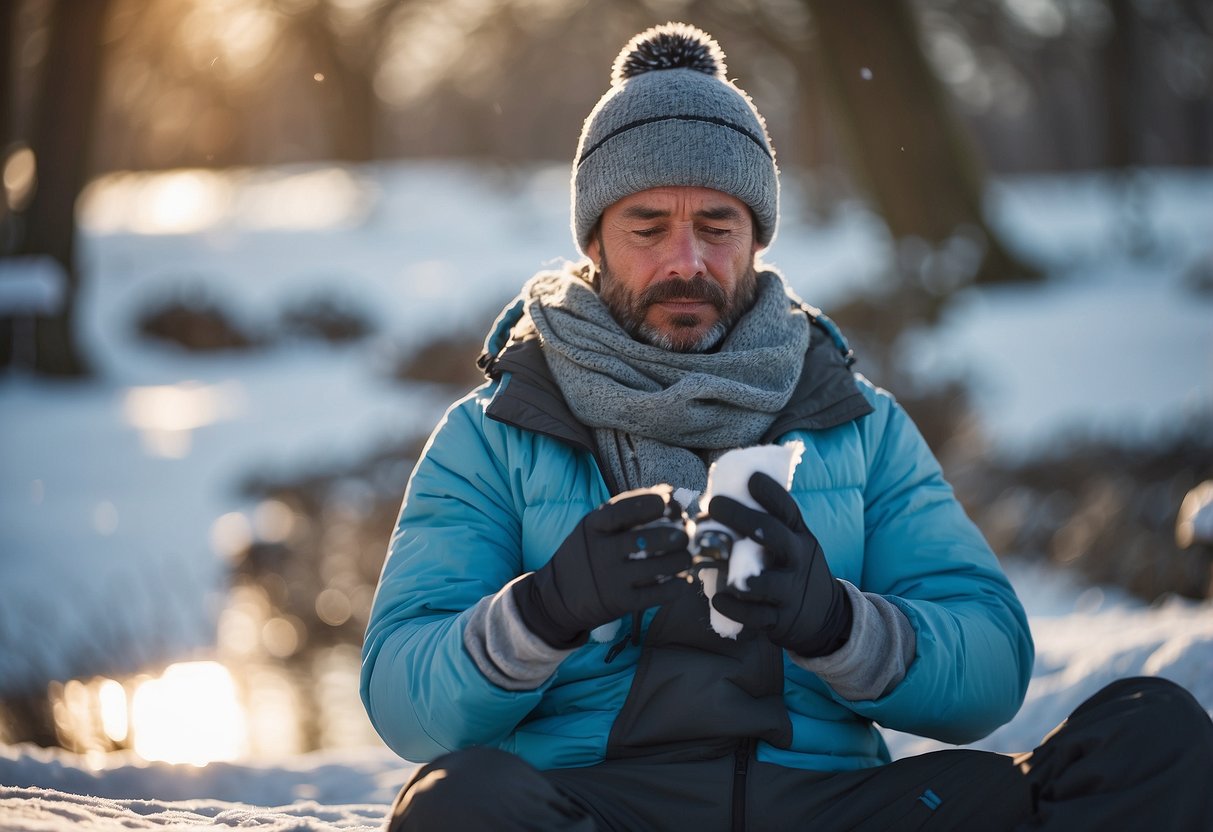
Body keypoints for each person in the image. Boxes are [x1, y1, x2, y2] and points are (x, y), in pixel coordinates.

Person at [361, 22, 1213, 831]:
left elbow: (990, 668)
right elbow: (403, 697)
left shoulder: (856, 422)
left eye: (716, 225)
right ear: (595, 242)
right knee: (455, 804)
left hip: (830, 805)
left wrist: (836, 625)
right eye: (647, 227)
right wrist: (543, 613)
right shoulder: (496, 432)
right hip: (598, 806)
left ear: (757, 239)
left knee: (1149, 734)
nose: (685, 261)